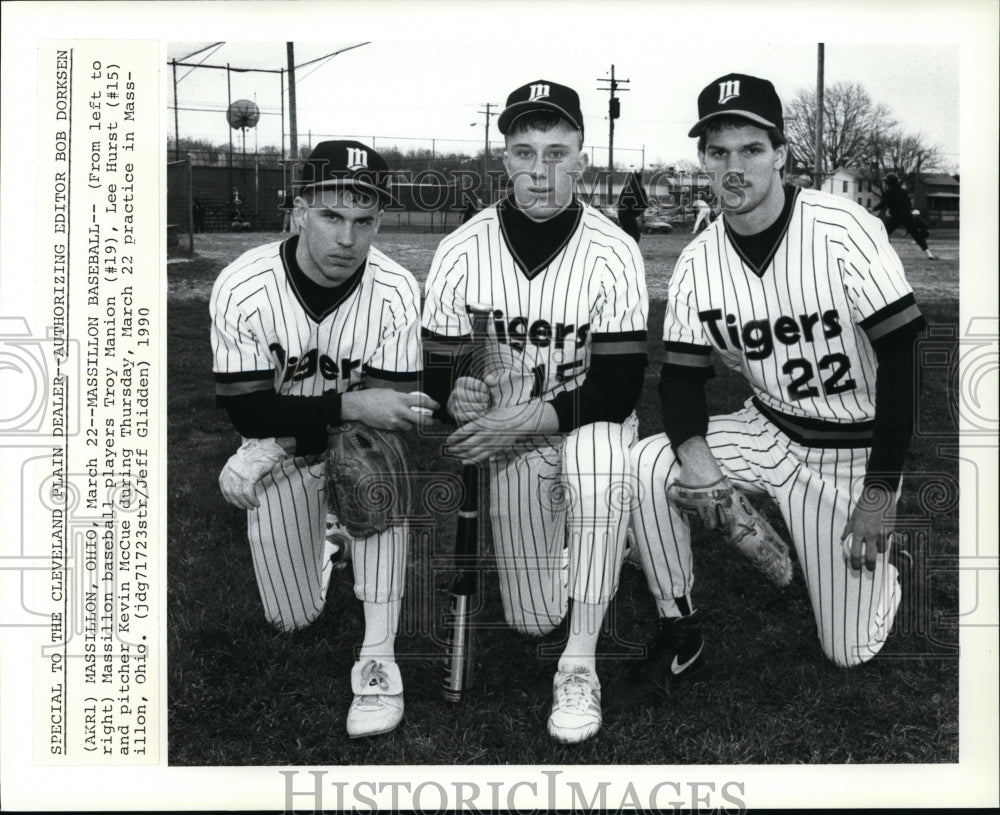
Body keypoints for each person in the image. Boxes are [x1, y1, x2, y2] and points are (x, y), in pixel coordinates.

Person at [612, 73, 925, 706]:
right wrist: (697, 462)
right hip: (766, 428)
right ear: (704, 160)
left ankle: (887, 572)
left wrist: (881, 488)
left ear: (781, 154)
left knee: (847, 651)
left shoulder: (842, 229)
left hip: (849, 452)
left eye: (751, 149)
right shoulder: (700, 259)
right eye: (719, 151)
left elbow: (901, 356)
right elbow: (679, 379)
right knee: (647, 462)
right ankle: (680, 626)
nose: (734, 167)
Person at [421, 79, 649, 744]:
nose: (541, 170)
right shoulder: (462, 247)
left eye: (557, 152)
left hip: (588, 423)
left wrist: (521, 420)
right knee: (529, 617)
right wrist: (452, 395)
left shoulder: (614, 249)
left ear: (582, 157)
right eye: (525, 152)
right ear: (504, 159)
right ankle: (600, 540)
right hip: (508, 438)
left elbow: (620, 386)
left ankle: (580, 662)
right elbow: (438, 367)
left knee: (601, 464)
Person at [209, 140, 438, 738]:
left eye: (364, 221)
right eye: (331, 216)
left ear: (378, 223)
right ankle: (328, 543)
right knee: (292, 619)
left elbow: (389, 414)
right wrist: (334, 411)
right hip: (285, 440)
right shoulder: (244, 284)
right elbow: (248, 410)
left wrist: (276, 444)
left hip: (330, 444)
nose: (347, 238)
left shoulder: (393, 290)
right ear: (298, 211)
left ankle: (379, 660)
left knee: (378, 470)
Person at [871, 173, 936, 259]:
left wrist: (872, 209)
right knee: (916, 234)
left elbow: (883, 204)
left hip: (897, 216)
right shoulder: (903, 191)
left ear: (889, 183)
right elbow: (908, 204)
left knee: (884, 232)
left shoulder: (889, 192)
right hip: (907, 215)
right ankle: (929, 254)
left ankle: (886, 252)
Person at [616, 171, 650, 243]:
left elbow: (620, 201)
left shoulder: (626, 188)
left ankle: (623, 249)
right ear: (639, 180)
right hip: (629, 215)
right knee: (636, 235)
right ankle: (631, 250)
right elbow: (645, 204)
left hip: (621, 214)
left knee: (626, 234)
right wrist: (638, 211)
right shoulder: (640, 189)